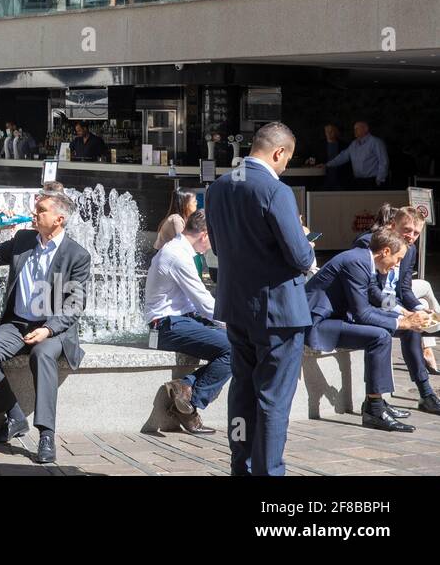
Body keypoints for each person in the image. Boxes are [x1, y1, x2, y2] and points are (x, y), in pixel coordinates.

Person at [205, 121, 314, 477]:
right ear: (279, 152)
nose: (285, 167)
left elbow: (218, 248)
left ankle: (242, 465)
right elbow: (299, 258)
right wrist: (305, 244)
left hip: (236, 305)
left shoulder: (220, 187)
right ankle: (269, 472)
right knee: (273, 400)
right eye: (287, 160)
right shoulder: (275, 190)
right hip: (278, 310)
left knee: (242, 392)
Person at [0, 192, 90, 464]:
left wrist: (48, 330)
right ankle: (14, 416)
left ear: (59, 219)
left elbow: (75, 303)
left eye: (41, 210)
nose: (34, 214)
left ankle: (46, 434)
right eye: (35, 210)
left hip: (54, 329)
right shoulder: (24, 240)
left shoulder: (77, 255)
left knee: (42, 354)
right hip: (17, 323)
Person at [306, 228, 429, 431]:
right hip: (319, 323)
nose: (398, 265)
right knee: (380, 336)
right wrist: (402, 321)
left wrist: (403, 313)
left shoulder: (367, 259)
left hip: (341, 315)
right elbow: (362, 312)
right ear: (386, 251)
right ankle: (374, 408)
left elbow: (376, 294)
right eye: (397, 259)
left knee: (402, 330)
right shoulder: (357, 261)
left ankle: (388, 400)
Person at [145, 209, 227, 435]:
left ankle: (185, 387)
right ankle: (189, 404)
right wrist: (232, 324)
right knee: (236, 347)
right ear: (205, 234)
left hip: (178, 322)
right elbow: (204, 303)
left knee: (236, 344)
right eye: (214, 238)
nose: (213, 245)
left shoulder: (180, 250)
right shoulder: (178, 255)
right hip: (165, 326)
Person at [354, 205, 440, 414]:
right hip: (367, 305)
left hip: (391, 303)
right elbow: (371, 291)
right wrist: (403, 312)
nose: (411, 236)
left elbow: (405, 288)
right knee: (408, 328)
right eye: (407, 230)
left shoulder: (408, 251)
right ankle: (384, 401)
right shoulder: (370, 244)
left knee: (416, 324)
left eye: (416, 233)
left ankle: (426, 394)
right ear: (393, 226)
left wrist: (420, 309)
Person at [324, 120, 388, 190]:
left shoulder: (376, 142)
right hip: (358, 181)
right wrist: (327, 165)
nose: (354, 131)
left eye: (357, 129)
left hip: (372, 181)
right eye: (354, 129)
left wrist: (379, 179)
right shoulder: (354, 144)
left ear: (365, 129)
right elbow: (343, 157)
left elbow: (383, 161)